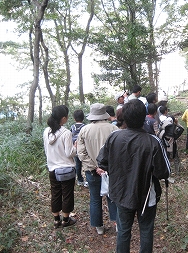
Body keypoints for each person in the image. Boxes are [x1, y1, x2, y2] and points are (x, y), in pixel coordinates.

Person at [97, 99, 170, 253]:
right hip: (146, 197)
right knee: (146, 230)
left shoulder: (114, 137)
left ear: (124, 118)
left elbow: (102, 162)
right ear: (144, 117)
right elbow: (164, 172)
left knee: (123, 230)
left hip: (121, 193)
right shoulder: (153, 142)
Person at [76, 103, 118, 235]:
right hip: (111, 171)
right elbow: (118, 152)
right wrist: (105, 167)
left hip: (92, 171)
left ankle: (99, 227)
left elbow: (81, 153)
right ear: (104, 115)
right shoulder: (114, 129)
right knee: (113, 197)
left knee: (95, 198)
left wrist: (95, 167)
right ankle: (117, 223)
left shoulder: (84, 130)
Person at [43, 105, 77, 229]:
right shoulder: (66, 133)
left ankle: (56, 220)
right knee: (67, 195)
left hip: (52, 169)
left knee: (55, 194)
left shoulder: (46, 131)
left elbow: (47, 150)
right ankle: (66, 220)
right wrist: (75, 147)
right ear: (63, 118)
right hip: (66, 169)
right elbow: (69, 153)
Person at [70, 109, 88, 187]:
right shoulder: (85, 127)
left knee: (77, 165)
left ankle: (80, 180)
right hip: (83, 149)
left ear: (74, 118)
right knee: (86, 164)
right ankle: (87, 180)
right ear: (83, 118)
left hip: (75, 149)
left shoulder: (72, 127)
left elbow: (70, 136)